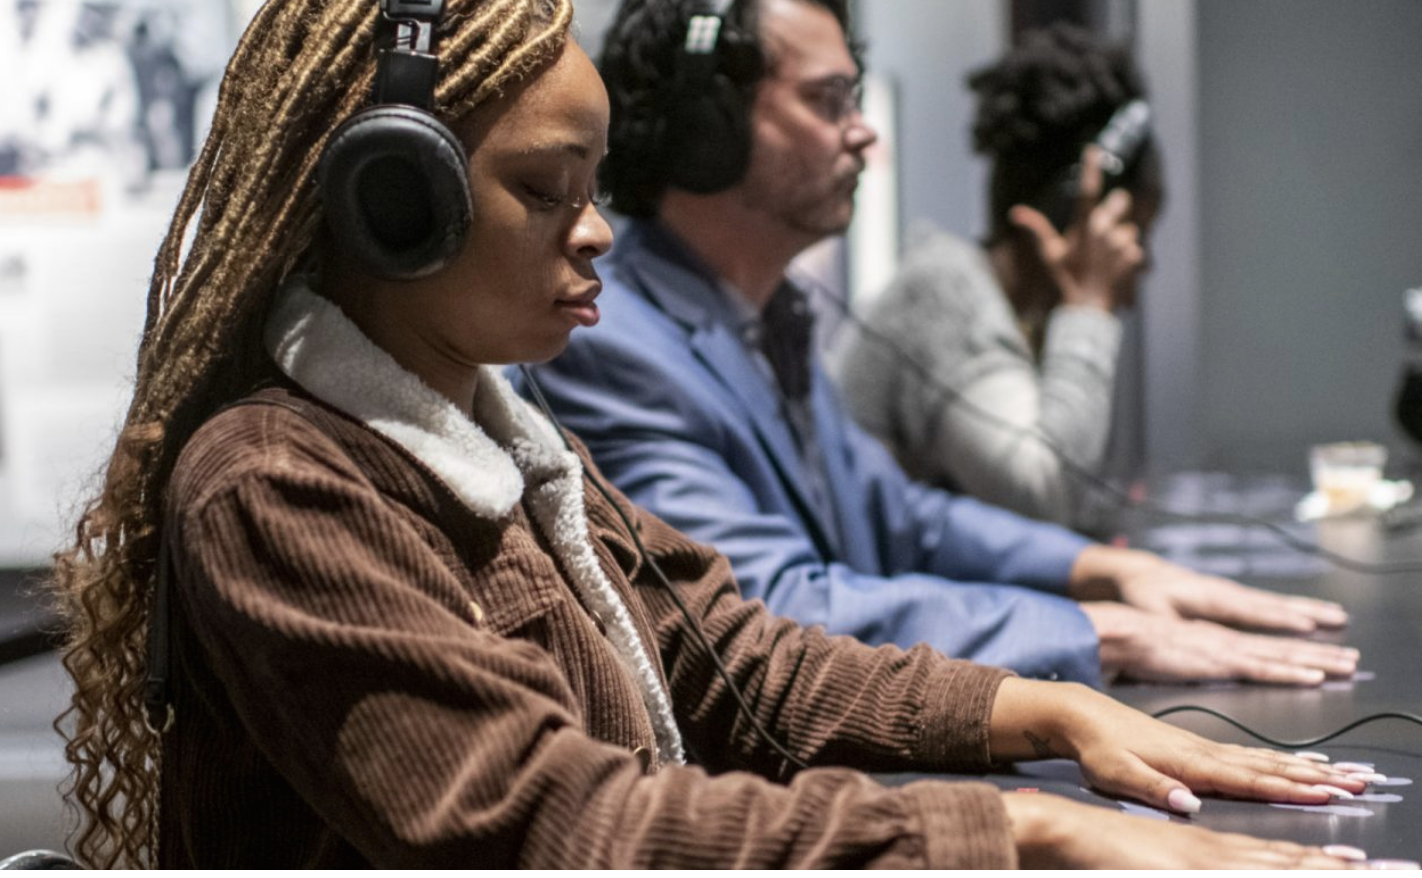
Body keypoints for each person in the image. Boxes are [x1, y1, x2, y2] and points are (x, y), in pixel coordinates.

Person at [46, 0, 1370, 869]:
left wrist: (1040, 707)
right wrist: (1015, 830)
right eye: (543, 191)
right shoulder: (280, 486)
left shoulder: (505, 442)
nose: (596, 230)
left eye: (592, 187)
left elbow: (731, 655)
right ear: (391, 205)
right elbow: (560, 827)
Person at [522, 0, 1358, 688]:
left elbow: (903, 518)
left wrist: (1104, 570)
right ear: (708, 130)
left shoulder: (771, 316)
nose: (863, 134)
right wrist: (1095, 632)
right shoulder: (607, 341)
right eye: (829, 101)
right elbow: (766, 608)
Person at [834, 23, 1158, 529]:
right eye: (1134, 231)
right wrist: (1089, 307)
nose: (1141, 260)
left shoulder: (1008, 312)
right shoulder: (944, 296)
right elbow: (1044, 493)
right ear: (1069, 212)